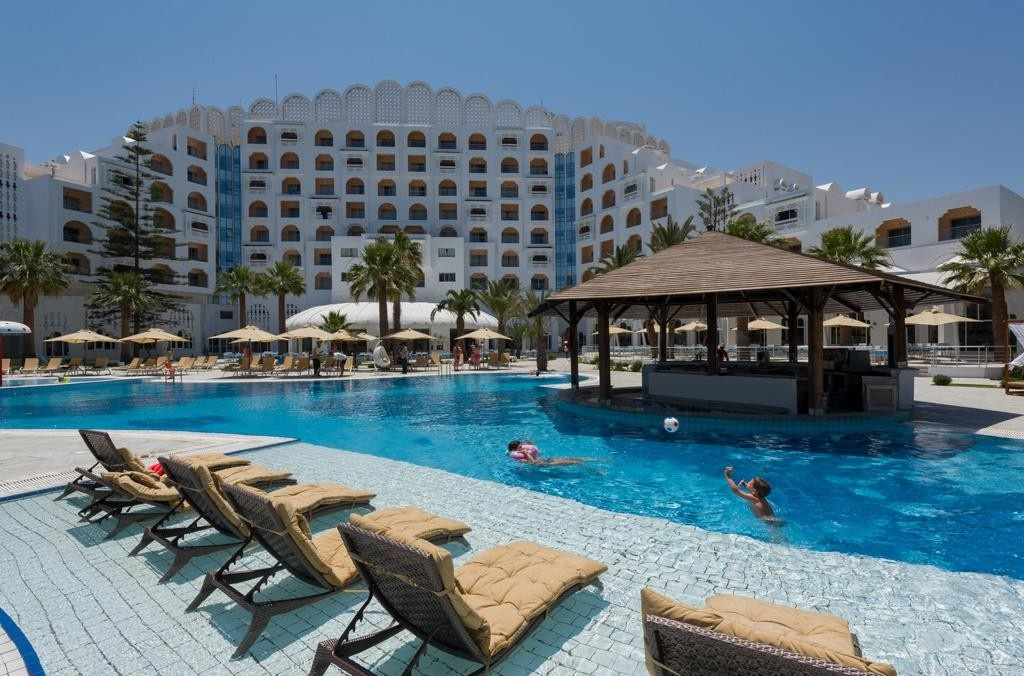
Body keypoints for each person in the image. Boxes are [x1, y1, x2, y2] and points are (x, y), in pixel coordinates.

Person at [506, 440, 593, 466]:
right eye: (520, 447)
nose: (522, 447)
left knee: (573, 458)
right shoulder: (518, 458)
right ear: (514, 449)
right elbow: (533, 463)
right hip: (543, 465)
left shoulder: (523, 451)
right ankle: (593, 471)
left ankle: (595, 460)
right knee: (574, 463)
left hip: (544, 460)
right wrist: (525, 453)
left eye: (521, 445)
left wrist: (532, 445)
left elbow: (539, 453)